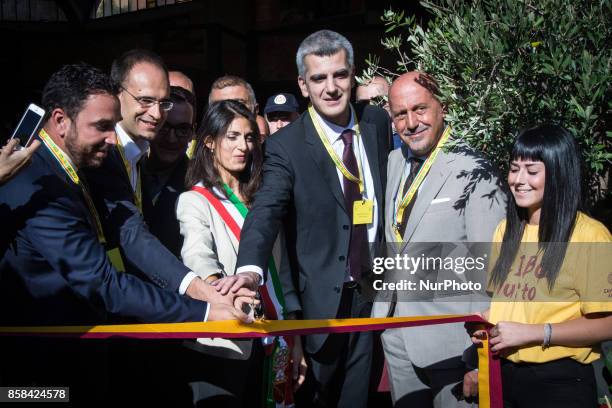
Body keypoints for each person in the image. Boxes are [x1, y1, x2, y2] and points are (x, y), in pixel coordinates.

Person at [0, 63, 250, 403]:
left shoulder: (77, 161)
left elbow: (130, 232)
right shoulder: (38, 182)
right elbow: (102, 283)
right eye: (102, 127)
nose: (112, 138)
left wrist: (197, 288)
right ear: (60, 121)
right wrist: (204, 313)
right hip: (37, 370)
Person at [219, 30, 391, 407]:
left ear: (352, 75)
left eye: (339, 75)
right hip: (317, 310)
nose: (331, 88)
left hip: (372, 298)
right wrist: (250, 267)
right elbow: (266, 211)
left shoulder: (377, 123)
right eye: (318, 78)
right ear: (303, 83)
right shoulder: (286, 145)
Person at [371, 71, 506, 408]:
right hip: (398, 336)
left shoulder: (474, 168)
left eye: (420, 109)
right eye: (401, 114)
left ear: (442, 108)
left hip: (454, 344)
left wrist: (480, 357)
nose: (411, 122)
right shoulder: (393, 161)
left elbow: (492, 269)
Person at [466, 124, 612, 408]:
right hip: (504, 375)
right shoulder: (505, 230)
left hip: (560, 383)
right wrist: (487, 320)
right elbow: (512, 302)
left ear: (558, 174)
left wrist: (536, 332)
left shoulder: (590, 236)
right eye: (514, 169)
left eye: (532, 171)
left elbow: (607, 323)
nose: (519, 180)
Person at [175, 99, 300, 406]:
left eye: (248, 137)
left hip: (273, 337)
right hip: (222, 341)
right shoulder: (195, 200)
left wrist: (295, 337)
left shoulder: (264, 202)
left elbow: (282, 272)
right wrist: (224, 294)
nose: (242, 145)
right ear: (208, 141)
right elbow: (197, 256)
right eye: (231, 136)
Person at [83, 49, 219, 303]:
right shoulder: (103, 153)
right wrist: (199, 290)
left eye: (163, 103)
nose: (156, 114)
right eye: (145, 100)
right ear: (117, 94)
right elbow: (131, 234)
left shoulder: (138, 153)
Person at [143, 75, 197, 257]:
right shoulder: (127, 170)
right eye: (165, 127)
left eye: (182, 130)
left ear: (192, 133)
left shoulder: (199, 183)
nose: (171, 138)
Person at [208, 74, 270, 142]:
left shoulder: (273, 151)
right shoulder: (196, 152)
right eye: (221, 107)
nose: (230, 110)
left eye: (239, 105)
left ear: (255, 110)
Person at [356, 76, 399, 149]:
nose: (370, 107)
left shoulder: (408, 135)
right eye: (363, 103)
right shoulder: (355, 140)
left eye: (376, 100)